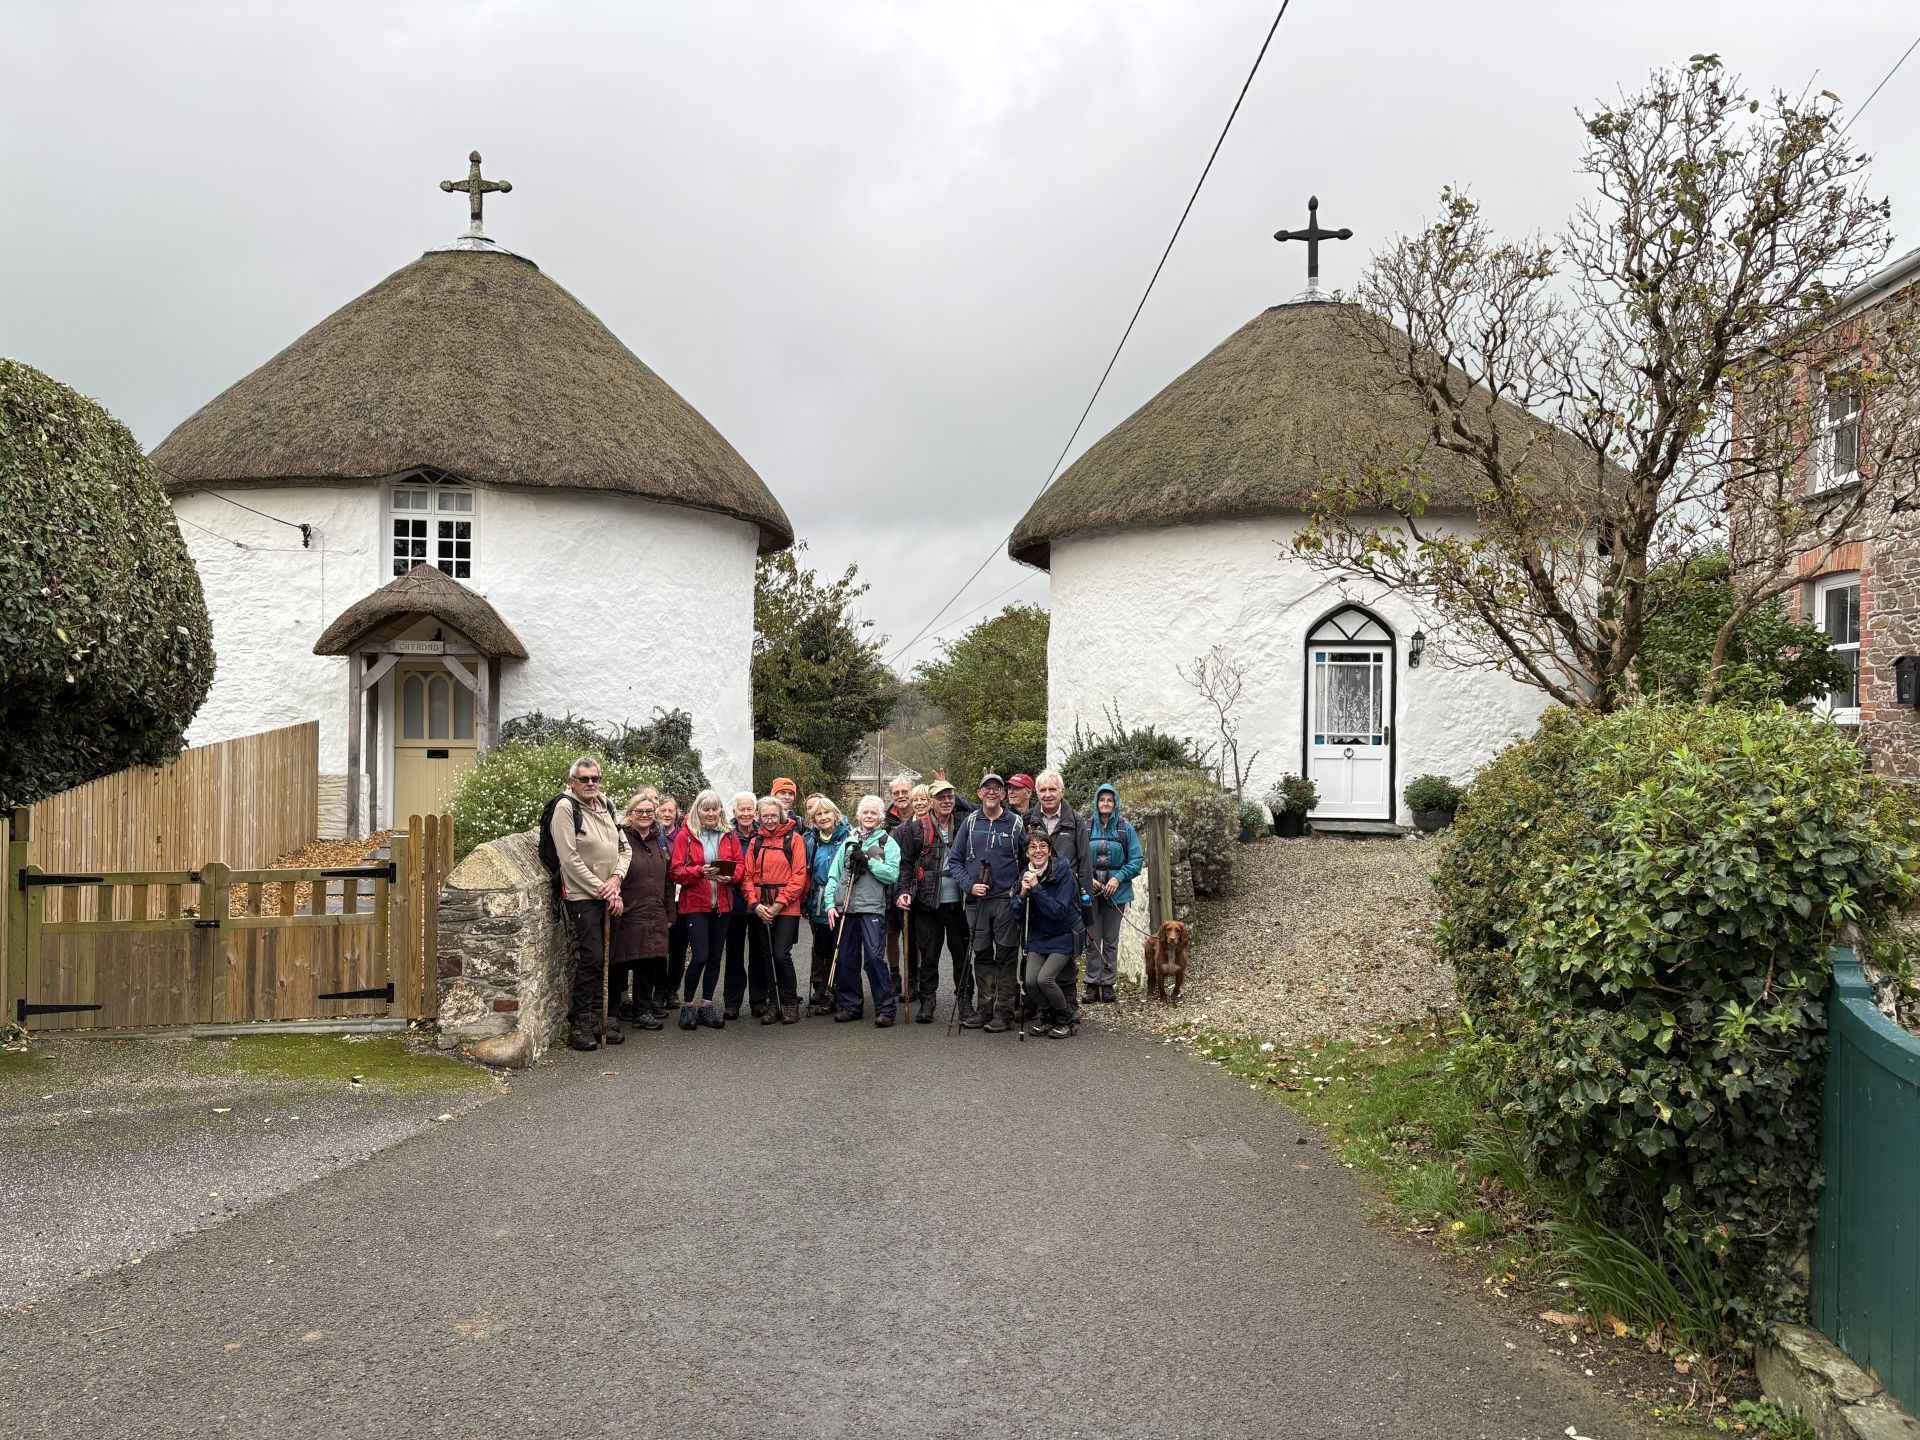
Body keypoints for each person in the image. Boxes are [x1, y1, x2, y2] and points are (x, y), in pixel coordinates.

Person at [550, 756, 631, 1052]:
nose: (591, 784)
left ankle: (601, 1016)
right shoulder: (565, 808)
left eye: (595, 778)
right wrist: (603, 889)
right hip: (583, 896)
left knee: (608, 956)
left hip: (610, 891)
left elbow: (625, 849)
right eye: (584, 779)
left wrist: (617, 879)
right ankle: (580, 1023)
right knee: (593, 956)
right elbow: (569, 859)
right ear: (572, 782)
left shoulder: (606, 804)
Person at [947, 771, 1026, 1033]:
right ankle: (984, 1009)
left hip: (1004, 902)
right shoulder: (970, 823)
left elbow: (1026, 863)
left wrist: (1016, 890)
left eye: (997, 789)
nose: (991, 793)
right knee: (981, 955)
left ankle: (1004, 1013)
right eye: (986, 788)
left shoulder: (1015, 824)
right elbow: (955, 861)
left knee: (1005, 955)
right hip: (977, 902)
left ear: (1003, 794)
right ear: (979, 793)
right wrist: (969, 886)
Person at [894, 778, 970, 1024]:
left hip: (960, 902)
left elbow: (984, 806)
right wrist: (902, 891)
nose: (947, 801)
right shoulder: (916, 828)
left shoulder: (966, 823)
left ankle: (965, 999)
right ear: (931, 801)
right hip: (927, 902)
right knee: (928, 955)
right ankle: (928, 1000)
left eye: (950, 797)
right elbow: (906, 864)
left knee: (962, 954)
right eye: (941, 797)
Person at [824, 795, 902, 1026]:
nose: (869, 816)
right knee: (846, 958)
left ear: (879, 817)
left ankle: (886, 1008)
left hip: (871, 908)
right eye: (865, 813)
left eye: (874, 813)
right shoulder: (848, 842)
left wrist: (869, 861)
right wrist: (830, 904)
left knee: (875, 958)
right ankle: (850, 1005)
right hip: (846, 907)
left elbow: (891, 874)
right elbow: (833, 875)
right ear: (859, 815)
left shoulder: (888, 843)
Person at [670, 789, 744, 1030]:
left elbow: (741, 866)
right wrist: (700, 871)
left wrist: (730, 878)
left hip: (722, 904)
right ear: (697, 811)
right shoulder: (686, 836)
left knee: (714, 957)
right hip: (696, 905)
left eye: (715, 809)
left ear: (720, 811)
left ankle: (707, 1005)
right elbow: (676, 872)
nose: (711, 813)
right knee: (700, 956)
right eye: (706, 809)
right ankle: (688, 1005)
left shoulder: (729, 835)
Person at [1029, 769, 1093, 1018]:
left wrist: (1086, 908)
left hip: (1067, 899)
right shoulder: (1028, 820)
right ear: (1037, 794)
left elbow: (1085, 865)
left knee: (1065, 965)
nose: (1047, 795)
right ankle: (1047, 1013)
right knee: (1039, 962)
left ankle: (1069, 1012)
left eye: (1052, 790)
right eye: (1043, 790)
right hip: (1037, 900)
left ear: (1062, 792)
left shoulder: (1075, 821)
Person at [741, 794, 808, 1025]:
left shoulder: (795, 839)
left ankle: (789, 1002)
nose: (769, 820)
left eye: (773, 815)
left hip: (786, 907)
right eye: (765, 816)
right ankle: (773, 1003)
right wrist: (755, 904)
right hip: (761, 907)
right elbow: (747, 877)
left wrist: (779, 903)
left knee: (781, 954)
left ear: (781, 816)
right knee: (766, 955)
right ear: (759, 817)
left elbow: (799, 876)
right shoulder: (755, 842)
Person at [613, 792, 674, 1032]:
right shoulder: (621, 839)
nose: (646, 816)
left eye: (650, 812)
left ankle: (643, 1011)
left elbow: (667, 879)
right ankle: (613, 1013)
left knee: (648, 963)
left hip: (654, 911)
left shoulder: (658, 840)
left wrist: (670, 911)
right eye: (640, 812)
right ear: (630, 814)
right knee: (619, 963)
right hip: (627, 910)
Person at [1017, 830, 1081, 1038]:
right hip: (1040, 935)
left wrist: (1036, 889)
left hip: (1064, 933)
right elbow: (1017, 914)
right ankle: (1047, 1018)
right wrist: (1021, 896)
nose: (1038, 851)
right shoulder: (1025, 874)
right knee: (1030, 981)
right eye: (1033, 847)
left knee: (1045, 979)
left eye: (1043, 846)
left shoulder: (1065, 874)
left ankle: (1067, 1019)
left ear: (1050, 850)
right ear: (1027, 853)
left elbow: (1057, 912)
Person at [1085, 782, 1145, 1004]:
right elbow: (1078, 860)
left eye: (1110, 800)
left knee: (1110, 940)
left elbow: (1137, 860)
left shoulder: (1124, 828)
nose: (1106, 803)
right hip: (1091, 894)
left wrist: (1117, 878)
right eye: (1102, 800)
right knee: (1092, 939)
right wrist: (1087, 879)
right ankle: (1091, 983)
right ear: (1096, 802)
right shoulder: (1086, 827)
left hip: (1116, 895)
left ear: (1115, 803)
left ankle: (1107, 984)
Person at [803, 797, 850, 1014]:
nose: (823, 818)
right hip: (819, 901)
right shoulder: (810, 841)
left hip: (844, 899)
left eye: (826, 813)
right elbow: (806, 872)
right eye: (818, 815)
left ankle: (840, 991)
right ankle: (821, 989)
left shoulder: (849, 837)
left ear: (835, 814)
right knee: (821, 946)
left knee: (841, 947)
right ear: (813, 819)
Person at [654, 794, 688, 1015]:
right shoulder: (652, 835)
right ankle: (658, 992)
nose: (667, 814)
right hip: (657, 899)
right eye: (663, 810)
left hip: (681, 897)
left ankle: (672, 990)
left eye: (671, 811)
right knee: (659, 948)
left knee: (679, 947)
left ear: (677, 814)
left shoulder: (684, 837)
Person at [883, 773, 916, 1002]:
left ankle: (915, 980)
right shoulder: (886, 822)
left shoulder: (922, 817)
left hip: (915, 884)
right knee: (891, 933)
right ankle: (895, 976)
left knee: (914, 936)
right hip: (890, 885)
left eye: (905, 792)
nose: (901, 796)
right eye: (897, 793)